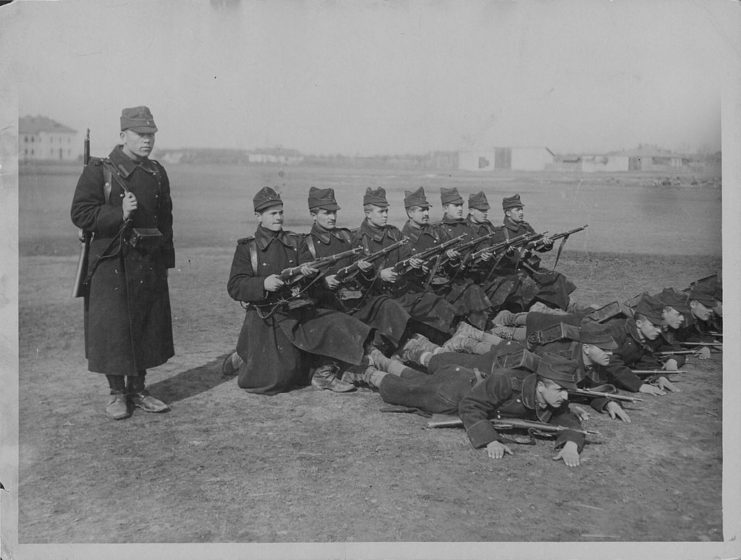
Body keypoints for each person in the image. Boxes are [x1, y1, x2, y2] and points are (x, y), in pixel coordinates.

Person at [70, 106, 173, 420]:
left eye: (151, 135)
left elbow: (166, 220)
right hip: (109, 263)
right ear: (122, 135)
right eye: (140, 134)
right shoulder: (99, 170)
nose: (146, 141)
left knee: (145, 326)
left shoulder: (157, 172)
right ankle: (117, 394)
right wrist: (120, 214)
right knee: (113, 331)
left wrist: (164, 262)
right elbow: (81, 214)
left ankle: (139, 390)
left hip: (147, 262)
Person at [223, 187, 378, 394]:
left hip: (297, 310)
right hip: (267, 316)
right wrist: (263, 284)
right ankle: (245, 354)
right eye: (272, 213)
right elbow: (235, 286)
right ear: (258, 216)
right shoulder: (247, 248)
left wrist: (309, 274)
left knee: (339, 322)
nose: (278, 218)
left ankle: (323, 374)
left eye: (280, 212)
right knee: (277, 380)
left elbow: (313, 281)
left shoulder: (295, 242)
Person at [359, 351, 588, 467]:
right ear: (540, 386)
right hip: (451, 395)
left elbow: (567, 420)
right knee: (404, 391)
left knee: (417, 380)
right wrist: (491, 439)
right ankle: (366, 372)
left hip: (466, 381)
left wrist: (569, 446)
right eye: (560, 389)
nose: (565, 397)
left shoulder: (552, 395)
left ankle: (384, 360)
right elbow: (470, 406)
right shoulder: (508, 382)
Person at [298, 186, 412, 356]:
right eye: (327, 213)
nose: (333, 217)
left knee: (386, 304)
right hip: (329, 307)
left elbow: (360, 269)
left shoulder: (347, 237)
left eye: (334, 212)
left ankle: (400, 346)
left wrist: (365, 270)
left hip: (355, 302)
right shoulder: (307, 245)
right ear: (313, 215)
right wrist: (323, 283)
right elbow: (304, 288)